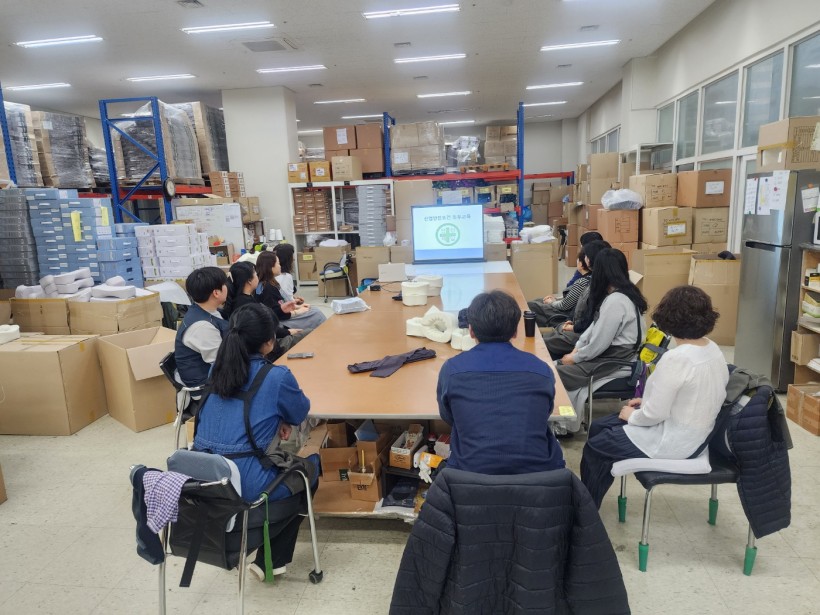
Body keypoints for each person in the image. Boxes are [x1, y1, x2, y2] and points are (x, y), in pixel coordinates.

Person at [193, 303, 319, 579]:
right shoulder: (276, 376)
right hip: (245, 486)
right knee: (310, 468)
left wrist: (276, 417)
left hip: (204, 480)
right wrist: (282, 417)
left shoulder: (216, 370)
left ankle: (269, 558)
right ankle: (269, 560)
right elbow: (300, 412)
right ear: (269, 342)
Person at [580, 285, 729, 508]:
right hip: (696, 433)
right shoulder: (712, 349)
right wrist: (646, 402)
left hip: (672, 440)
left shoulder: (677, 358)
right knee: (599, 427)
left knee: (596, 447)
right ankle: (589, 500)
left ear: (668, 317)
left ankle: (585, 512)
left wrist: (633, 415)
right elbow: (695, 394)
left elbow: (654, 414)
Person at [437, 290, 565, 475]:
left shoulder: (452, 370)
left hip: (470, 476)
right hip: (537, 479)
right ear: (515, 331)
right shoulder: (541, 370)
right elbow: (544, 413)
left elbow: (449, 417)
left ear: (471, 331)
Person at [556, 248, 647, 432]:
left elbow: (599, 343)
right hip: (610, 357)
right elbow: (593, 329)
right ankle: (563, 421)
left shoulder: (616, 301)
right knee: (556, 366)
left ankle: (564, 425)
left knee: (556, 373)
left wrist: (575, 357)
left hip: (614, 362)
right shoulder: (622, 295)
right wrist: (577, 349)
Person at [544, 239, 610, 359]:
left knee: (543, 343)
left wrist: (574, 327)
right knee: (545, 338)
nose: (584, 259)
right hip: (577, 326)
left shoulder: (598, 287)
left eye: (586, 256)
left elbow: (592, 322)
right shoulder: (592, 281)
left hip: (582, 333)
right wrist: (571, 321)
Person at [174, 266, 230, 389]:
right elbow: (224, 363)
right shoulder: (202, 327)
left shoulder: (205, 310)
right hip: (207, 387)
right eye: (224, 284)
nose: (227, 287)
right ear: (216, 293)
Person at [528, 248, 590, 327]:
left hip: (564, 314)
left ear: (581, 264)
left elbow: (564, 305)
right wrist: (556, 299)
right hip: (567, 308)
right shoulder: (587, 278)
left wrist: (552, 302)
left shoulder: (581, 282)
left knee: (532, 305)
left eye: (578, 260)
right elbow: (571, 298)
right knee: (539, 300)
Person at [273, 243, 327, 330]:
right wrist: (297, 305)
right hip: (284, 316)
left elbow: (282, 297)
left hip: (279, 312)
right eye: (292, 256)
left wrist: (294, 299)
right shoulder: (286, 277)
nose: (294, 259)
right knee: (317, 313)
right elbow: (287, 302)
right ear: (287, 259)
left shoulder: (271, 278)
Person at [255, 251, 312, 327]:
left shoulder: (265, 284)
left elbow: (279, 304)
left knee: (312, 310)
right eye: (278, 263)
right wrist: (298, 311)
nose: (280, 266)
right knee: (315, 313)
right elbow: (276, 312)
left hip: (281, 315)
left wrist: (296, 306)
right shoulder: (268, 287)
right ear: (271, 266)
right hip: (279, 322)